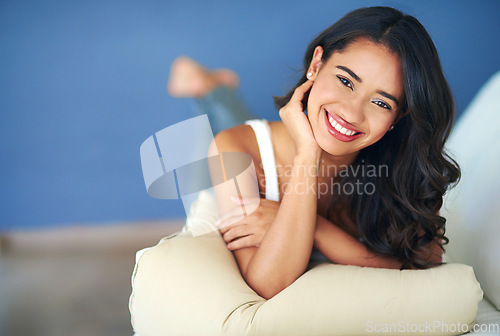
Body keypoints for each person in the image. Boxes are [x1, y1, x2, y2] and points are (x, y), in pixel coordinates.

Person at [169, 6, 460, 300]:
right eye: (346, 81)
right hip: (252, 151)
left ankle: (214, 86)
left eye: (382, 103)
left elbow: (425, 269)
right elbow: (266, 284)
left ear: (399, 115)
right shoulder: (235, 147)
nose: (351, 112)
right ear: (316, 65)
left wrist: (317, 229)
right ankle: (211, 88)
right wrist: (308, 152)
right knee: (226, 128)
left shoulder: (404, 168)